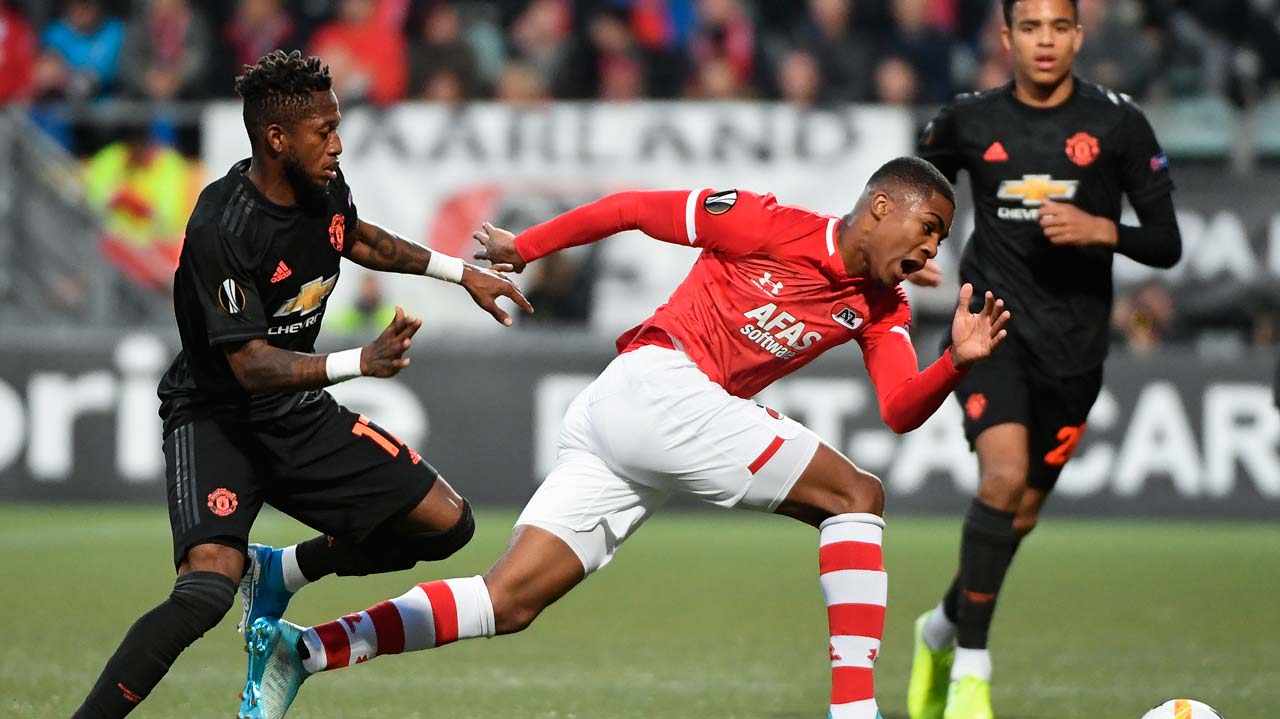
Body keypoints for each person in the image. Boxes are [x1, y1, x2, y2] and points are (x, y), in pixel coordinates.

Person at [235, 156, 1013, 719]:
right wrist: (528, 247)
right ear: (881, 206)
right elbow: (636, 207)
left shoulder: (882, 306)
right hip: (656, 386)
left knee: (508, 600)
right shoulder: (765, 221)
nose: (931, 252)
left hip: (646, 422)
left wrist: (955, 361)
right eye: (929, 229)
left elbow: (900, 408)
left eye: (940, 241)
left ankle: (304, 649)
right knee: (857, 495)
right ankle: (855, 710)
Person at [71, 49, 532, 719]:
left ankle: (282, 570)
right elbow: (250, 365)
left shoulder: (324, 188)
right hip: (217, 417)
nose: (337, 144)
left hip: (294, 411)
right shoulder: (222, 227)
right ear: (276, 139)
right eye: (325, 131)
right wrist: (359, 362)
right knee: (205, 590)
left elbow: (358, 237)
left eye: (337, 127)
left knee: (444, 524)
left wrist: (463, 273)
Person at [908, 2, 1182, 719]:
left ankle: (938, 630)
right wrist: (912, 249)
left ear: (1078, 35)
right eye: (1030, 27)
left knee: (1019, 515)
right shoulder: (967, 119)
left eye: (1059, 27)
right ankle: (971, 674)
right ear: (1007, 38)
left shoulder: (1118, 124)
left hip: (1075, 351)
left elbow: (1166, 243)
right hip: (988, 330)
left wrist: (1101, 228)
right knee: (1000, 481)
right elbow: (911, 190)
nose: (1045, 41)